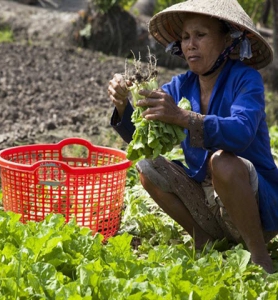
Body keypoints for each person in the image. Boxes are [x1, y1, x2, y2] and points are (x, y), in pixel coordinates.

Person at [108, 0, 278, 274]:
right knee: (148, 166)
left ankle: (259, 254)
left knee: (222, 161)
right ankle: (204, 237)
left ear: (227, 40)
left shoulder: (246, 79)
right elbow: (144, 140)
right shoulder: (180, 86)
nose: (190, 44)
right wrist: (122, 105)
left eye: (201, 35)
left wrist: (183, 117)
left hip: (255, 207)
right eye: (186, 37)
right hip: (208, 203)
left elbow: (242, 132)